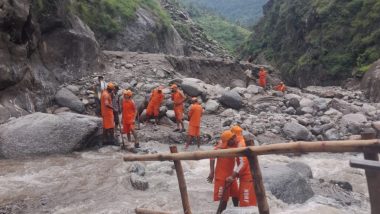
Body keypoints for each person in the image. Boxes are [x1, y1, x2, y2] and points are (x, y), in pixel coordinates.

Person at [207, 130, 240, 213]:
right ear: (227, 141)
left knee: (236, 196)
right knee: (224, 201)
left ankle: (239, 212)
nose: (234, 140)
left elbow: (240, 141)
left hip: (231, 176)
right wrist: (211, 172)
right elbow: (211, 157)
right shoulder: (220, 148)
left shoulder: (234, 146)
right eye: (232, 139)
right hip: (221, 177)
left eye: (234, 138)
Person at [230, 125, 257, 207]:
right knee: (249, 201)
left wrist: (233, 175)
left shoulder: (240, 145)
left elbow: (243, 162)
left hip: (247, 176)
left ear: (234, 136)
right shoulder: (243, 141)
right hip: (248, 174)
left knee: (246, 202)